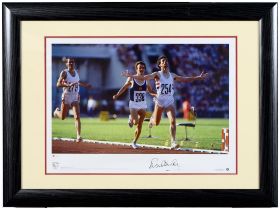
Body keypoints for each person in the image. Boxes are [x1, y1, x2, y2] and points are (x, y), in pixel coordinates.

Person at [122, 56, 207, 149]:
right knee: (156, 123)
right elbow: (145, 77)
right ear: (160, 64)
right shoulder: (157, 74)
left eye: (166, 61)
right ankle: (152, 120)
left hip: (169, 101)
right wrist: (131, 76)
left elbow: (185, 79)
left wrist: (198, 77)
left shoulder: (172, 75)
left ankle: (173, 142)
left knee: (173, 121)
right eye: (163, 61)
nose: (165, 62)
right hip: (159, 101)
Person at [113, 61, 156, 149]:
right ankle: (130, 118)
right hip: (133, 105)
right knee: (135, 122)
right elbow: (124, 87)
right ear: (136, 69)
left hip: (143, 104)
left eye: (143, 68)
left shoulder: (146, 79)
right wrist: (117, 95)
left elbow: (150, 91)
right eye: (140, 67)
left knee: (139, 125)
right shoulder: (131, 79)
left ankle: (134, 142)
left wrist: (157, 95)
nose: (141, 69)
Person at [53, 58, 92, 141]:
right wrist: (67, 85)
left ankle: (78, 135)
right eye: (69, 62)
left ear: (74, 63)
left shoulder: (76, 72)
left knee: (77, 116)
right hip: (66, 96)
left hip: (75, 96)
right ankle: (56, 112)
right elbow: (58, 84)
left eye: (72, 62)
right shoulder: (64, 72)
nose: (71, 63)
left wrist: (86, 85)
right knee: (63, 117)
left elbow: (77, 82)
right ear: (66, 64)